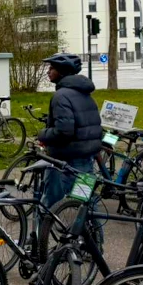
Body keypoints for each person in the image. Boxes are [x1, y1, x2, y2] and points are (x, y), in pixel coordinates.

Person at [37, 53, 102, 205]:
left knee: (49, 206)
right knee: (86, 206)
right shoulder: (85, 93)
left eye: (51, 68)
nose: (48, 71)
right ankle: (94, 229)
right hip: (86, 160)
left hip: (64, 162)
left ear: (61, 71)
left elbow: (64, 131)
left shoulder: (61, 96)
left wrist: (43, 134)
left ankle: (42, 229)